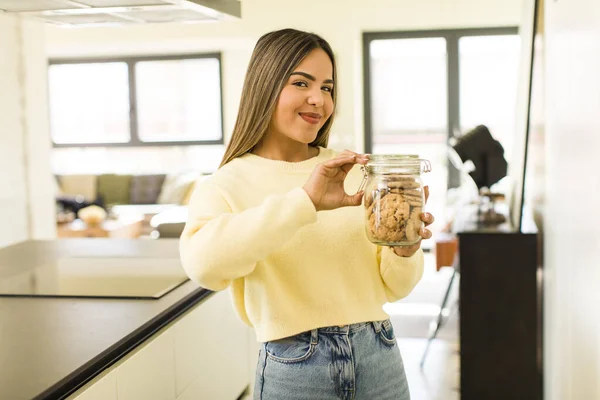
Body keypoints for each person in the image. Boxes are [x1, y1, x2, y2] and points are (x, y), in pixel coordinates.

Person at [179, 28, 434, 400]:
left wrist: (405, 250)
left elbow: (396, 287)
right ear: (264, 86)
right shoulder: (225, 184)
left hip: (379, 353)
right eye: (302, 83)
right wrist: (305, 202)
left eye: (328, 88)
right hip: (296, 367)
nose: (318, 99)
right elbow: (203, 266)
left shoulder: (354, 170)